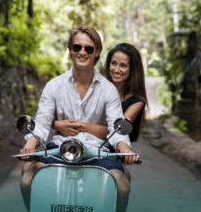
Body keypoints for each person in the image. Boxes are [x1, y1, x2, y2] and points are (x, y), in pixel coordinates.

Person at [20, 26, 136, 211]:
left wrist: (125, 148)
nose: (82, 52)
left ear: (97, 52)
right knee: (27, 181)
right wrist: (31, 143)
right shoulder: (54, 85)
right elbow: (42, 122)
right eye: (77, 47)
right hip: (59, 149)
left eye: (88, 48)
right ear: (70, 49)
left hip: (97, 153)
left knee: (122, 185)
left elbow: (116, 129)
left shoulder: (108, 89)